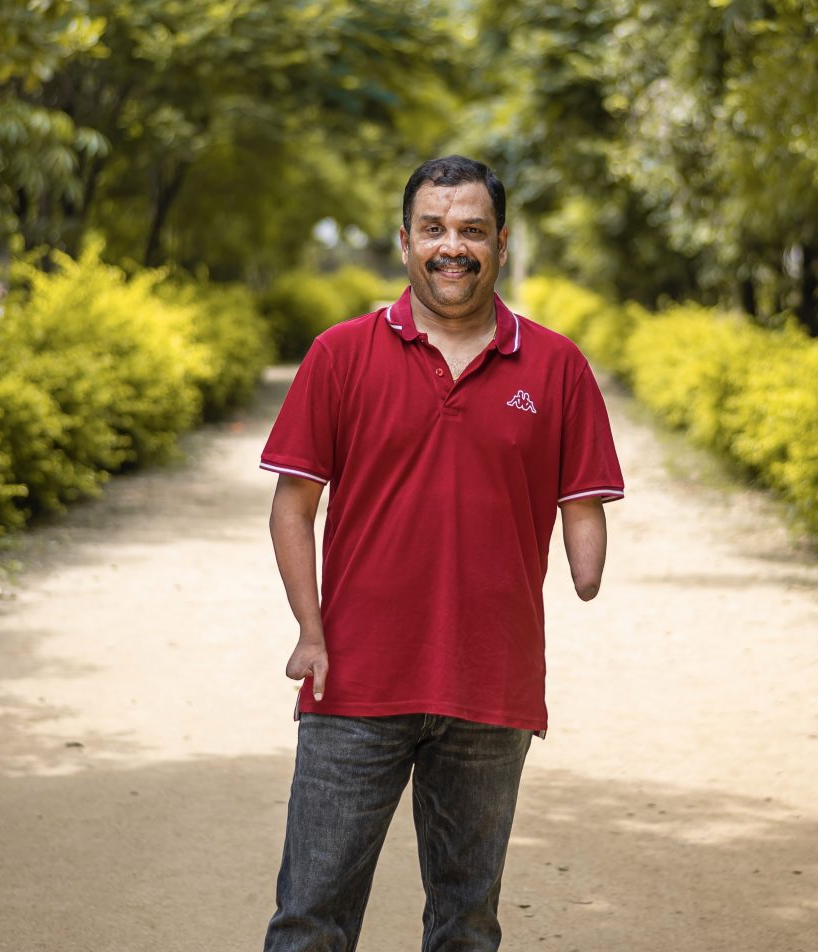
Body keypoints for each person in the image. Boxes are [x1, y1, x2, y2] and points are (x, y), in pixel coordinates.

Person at [259, 155, 625, 952]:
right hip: (352, 679)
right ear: (404, 242)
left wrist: (584, 556)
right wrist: (309, 629)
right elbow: (295, 504)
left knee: (465, 922)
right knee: (311, 916)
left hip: (490, 685)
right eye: (433, 230)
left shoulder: (556, 366)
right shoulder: (341, 354)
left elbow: (584, 503)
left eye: (471, 231)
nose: (450, 247)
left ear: (499, 243)